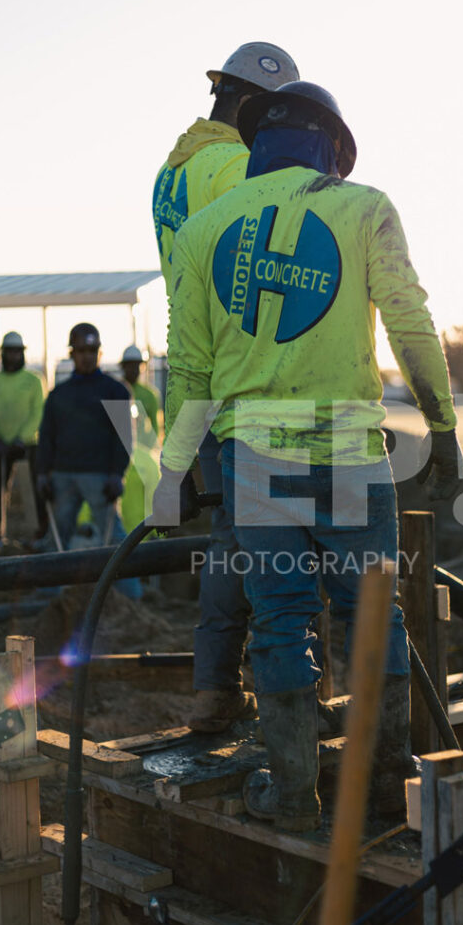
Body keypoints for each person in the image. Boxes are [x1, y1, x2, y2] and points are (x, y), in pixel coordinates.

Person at [150, 81, 460, 831]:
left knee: (280, 623)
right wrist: (442, 423)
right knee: (372, 619)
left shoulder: (202, 232)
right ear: (332, 147)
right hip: (349, 455)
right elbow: (409, 323)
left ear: (258, 143)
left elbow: (190, 370)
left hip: (254, 459)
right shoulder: (362, 208)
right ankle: (386, 787)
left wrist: (172, 474)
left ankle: (291, 796)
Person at [152, 42, 300, 731]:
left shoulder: (171, 172)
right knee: (282, 538)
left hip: (194, 367)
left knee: (227, 536)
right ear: (252, 106)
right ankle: (287, 700)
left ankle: (215, 690)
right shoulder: (237, 166)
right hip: (248, 375)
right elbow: (275, 267)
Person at [36, 324, 139, 596]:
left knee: (115, 540)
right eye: (81, 350)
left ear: (99, 352)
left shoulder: (116, 391)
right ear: (72, 353)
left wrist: (117, 473)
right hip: (62, 476)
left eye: (91, 349)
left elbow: (125, 438)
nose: (86, 355)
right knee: (57, 539)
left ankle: (130, 596)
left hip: (99, 477)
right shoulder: (59, 395)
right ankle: (50, 597)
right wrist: (43, 474)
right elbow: (46, 436)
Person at [0, 331, 46, 541]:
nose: (13, 356)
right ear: (3, 354)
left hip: (27, 446)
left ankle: (38, 535)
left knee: (32, 493)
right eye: (9, 352)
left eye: (17, 351)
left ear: (22, 353)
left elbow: (38, 411)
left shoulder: (34, 381)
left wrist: (22, 437)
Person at [120, 345, 160, 448]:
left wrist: (147, 449)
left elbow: (155, 427)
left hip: (141, 451)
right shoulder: (115, 392)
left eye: (136, 365)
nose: (133, 369)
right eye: (130, 365)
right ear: (123, 366)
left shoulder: (150, 395)